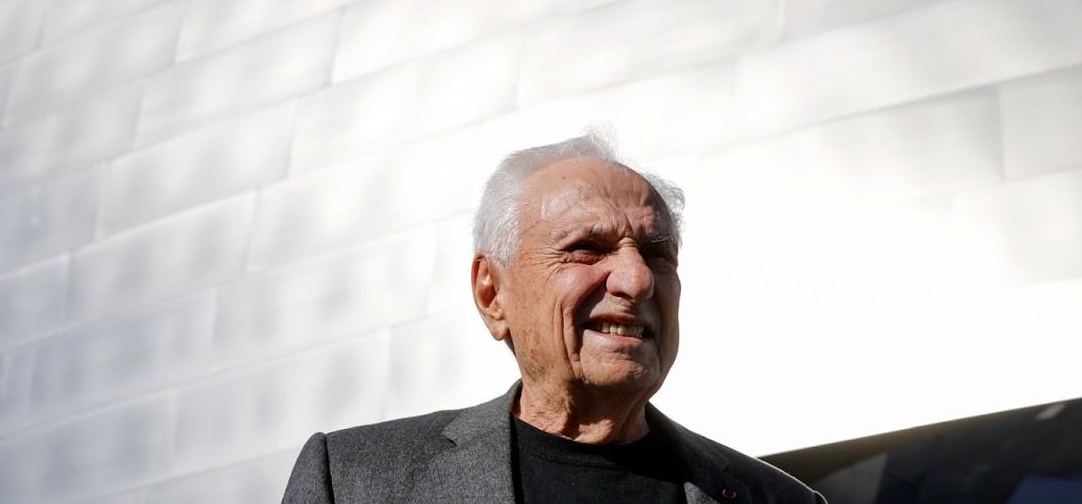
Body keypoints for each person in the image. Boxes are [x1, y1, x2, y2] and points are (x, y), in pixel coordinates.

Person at [281, 133, 825, 503]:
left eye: (658, 254)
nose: (636, 280)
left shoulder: (777, 499)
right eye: (587, 247)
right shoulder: (355, 482)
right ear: (493, 294)